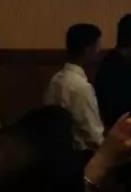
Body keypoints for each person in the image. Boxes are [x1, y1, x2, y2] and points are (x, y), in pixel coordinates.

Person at [44, 24, 105, 152]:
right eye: (98, 45)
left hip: (54, 150)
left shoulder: (56, 79)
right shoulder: (81, 87)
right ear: (88, 49)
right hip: (81, 155)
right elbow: (94, 137)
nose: (99, 50)